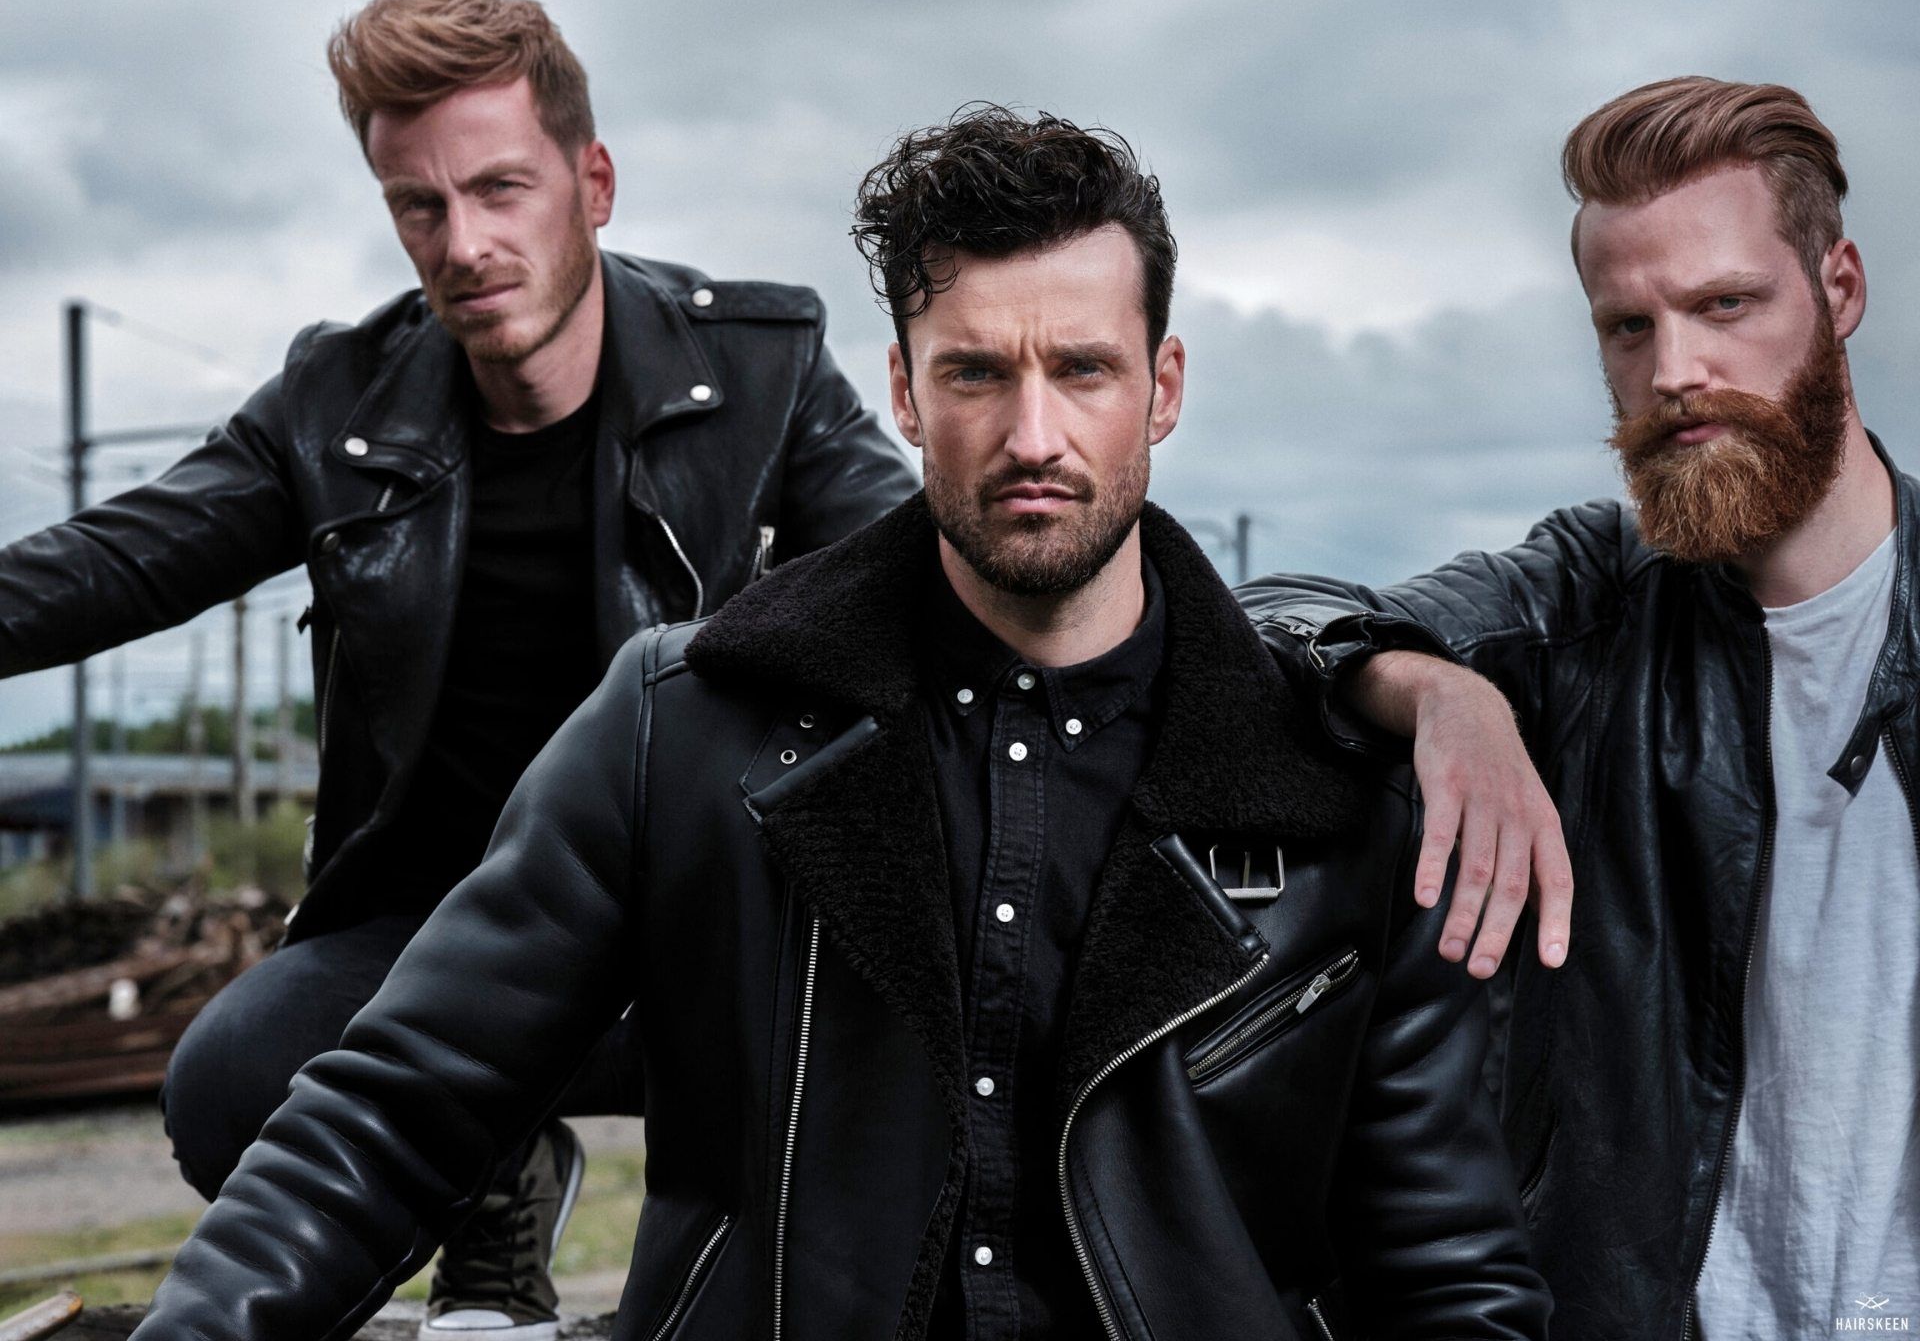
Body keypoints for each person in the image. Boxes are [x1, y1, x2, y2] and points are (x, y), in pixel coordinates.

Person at [123, 105, 1551, 1341]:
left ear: (1162, 390)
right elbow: (394, 1104)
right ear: (905, 394)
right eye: (978, 373)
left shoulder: (1343, 788)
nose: (1033, 434)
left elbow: (1444, 1268)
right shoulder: (686, 728)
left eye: (1085, 370)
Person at [0, 0, 914, 1341]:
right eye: (418, 206)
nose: (465, 243)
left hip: (693, 919)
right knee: (228, 1087)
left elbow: (929, 582)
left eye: (501, 189)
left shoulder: (756, 369)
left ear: (590, 183)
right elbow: (107, 565)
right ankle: (493, 1184)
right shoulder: (337, 403)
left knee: (902, 1034)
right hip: (441, 933)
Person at [1241, 76, 1919, 1338]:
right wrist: (1437, 691)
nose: (1677, 372)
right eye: (1626, 327)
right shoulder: (1577, 609)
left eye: (1726, 305)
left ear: (1841, 291)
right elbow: (1261, 629)